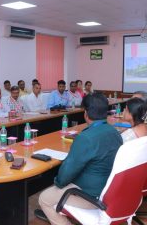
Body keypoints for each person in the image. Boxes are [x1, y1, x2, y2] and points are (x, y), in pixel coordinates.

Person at [38, 92, 123, 225]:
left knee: (44, 198)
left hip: (91, 195)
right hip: (110, 190)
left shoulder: (86, 137)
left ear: (86, 113)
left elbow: (65, 175)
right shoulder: (114, 132)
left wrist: (58, 183)